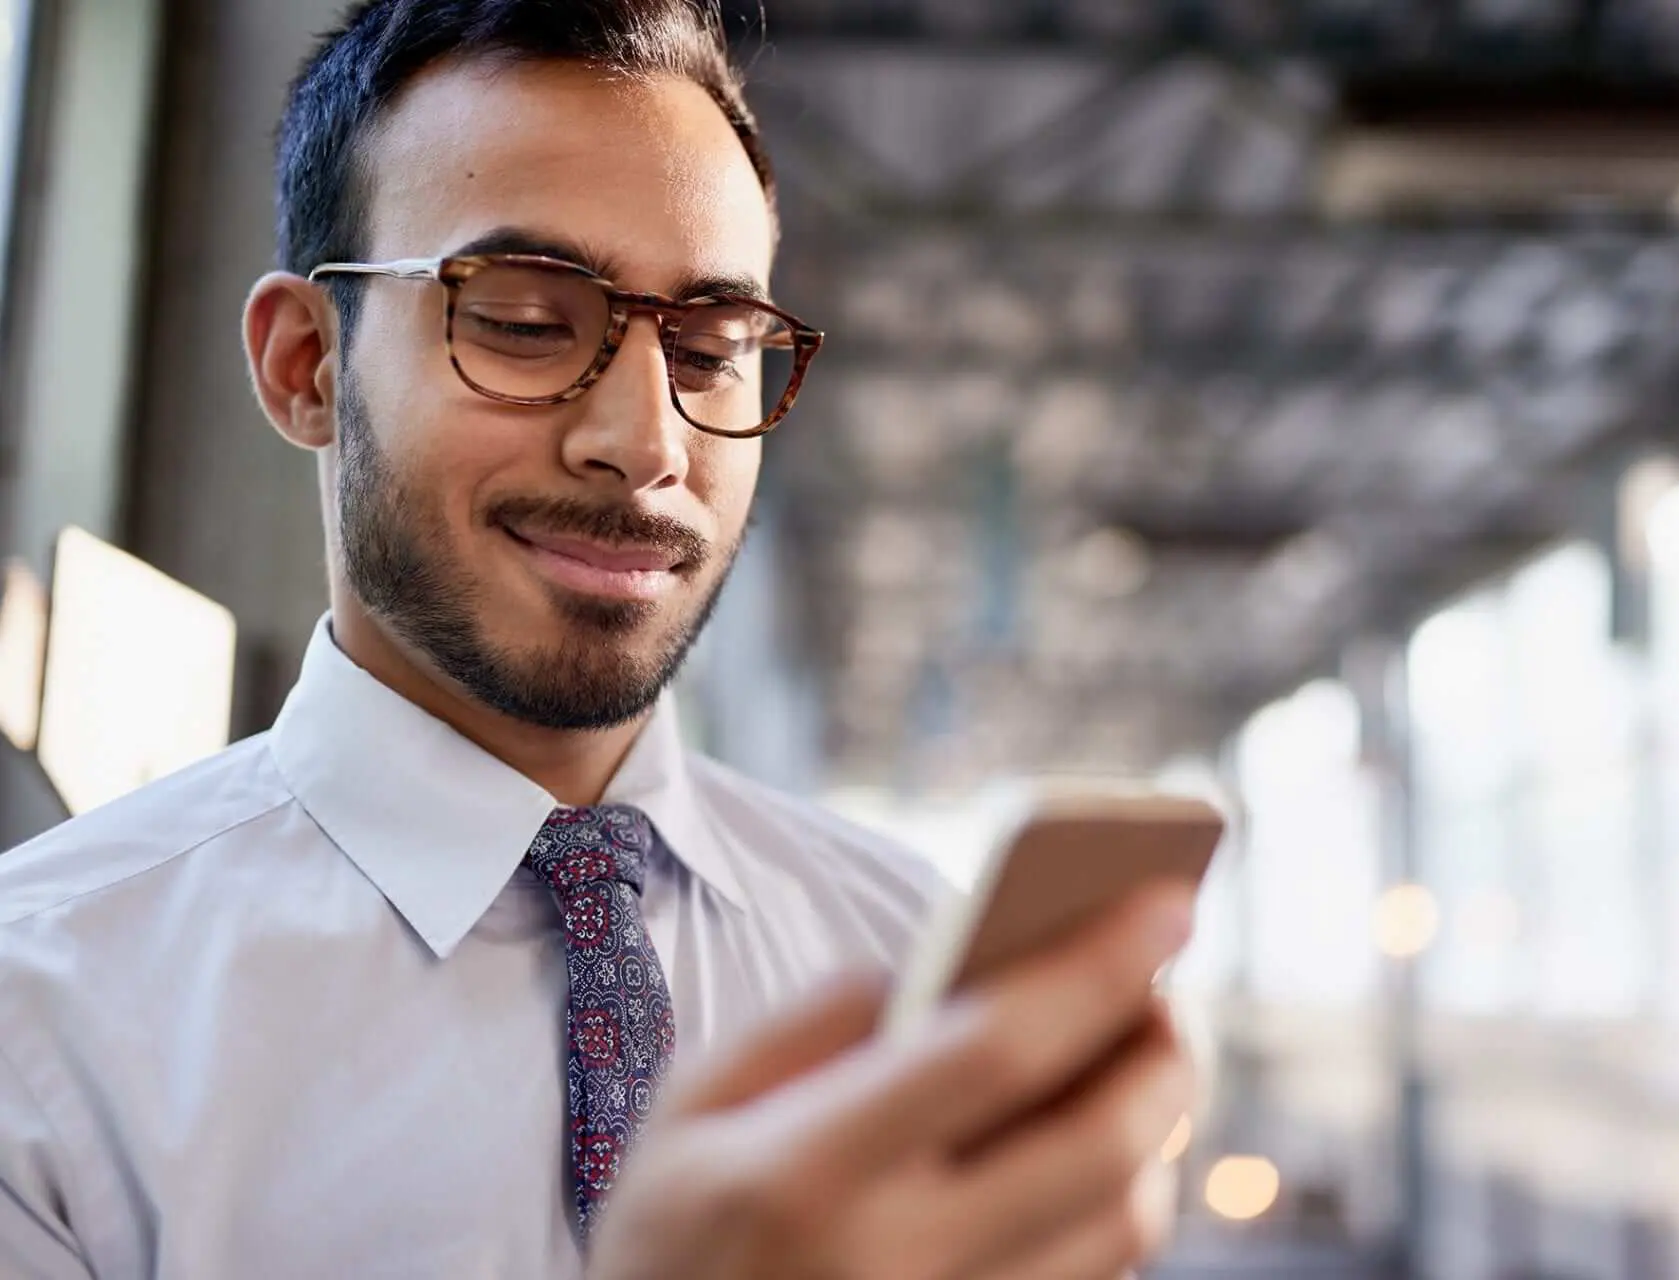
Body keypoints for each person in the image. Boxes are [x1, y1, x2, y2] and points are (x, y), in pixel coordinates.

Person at [0, 2, 1196, 1276]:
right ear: (305, 364)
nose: (646, 442)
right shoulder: (43, 1017)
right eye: (521, 319)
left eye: (712, 346)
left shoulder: (910, 968)